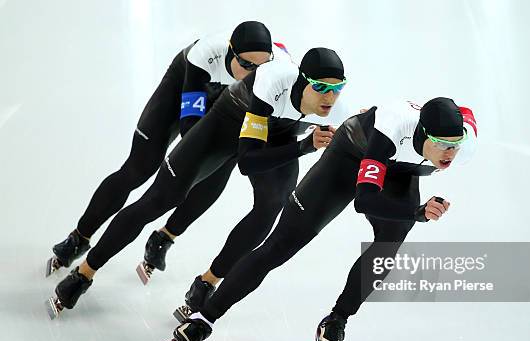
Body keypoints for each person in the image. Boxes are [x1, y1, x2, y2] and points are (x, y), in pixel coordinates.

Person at [160, 98, 478, 341]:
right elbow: (365, 200)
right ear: (422, 133)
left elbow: (462, 121)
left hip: (401, 171)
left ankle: (336, 320)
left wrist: (411, 212)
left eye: (455, 145)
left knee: (388, 246)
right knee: (280, 246)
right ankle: (204, 319)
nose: (449, 153)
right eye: (441, 144)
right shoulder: (392, 131)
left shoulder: (465, 145)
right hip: (352, 154)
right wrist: (417, 212)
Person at [46, 47, 347, 319]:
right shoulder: (271, 83)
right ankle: (85, 272)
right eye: (321, 88)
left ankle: (207, 282)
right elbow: (247, 161)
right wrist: (304, 147)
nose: (329, 98)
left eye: (337, 89)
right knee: (160, 199)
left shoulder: (335, 110)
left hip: (278, 131)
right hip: (228, 123)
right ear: (301, 81)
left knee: (272, 205)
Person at [45, 21, 280, 277]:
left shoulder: (277, 70)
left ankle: (164, 237)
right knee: (140, 168)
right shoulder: (205, 56)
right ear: (230, 51)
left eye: (261, 67)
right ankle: (79, 236)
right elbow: (190, 128)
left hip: (231, 103)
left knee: (220, 167)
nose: (253, 74)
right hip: (188, 84)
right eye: (246, 65)